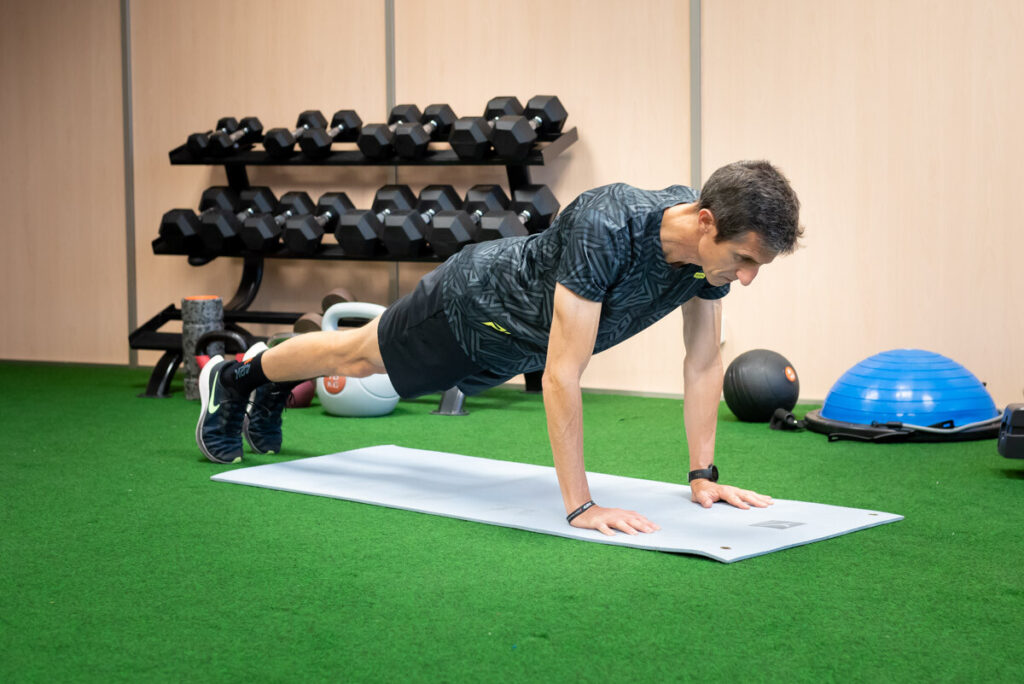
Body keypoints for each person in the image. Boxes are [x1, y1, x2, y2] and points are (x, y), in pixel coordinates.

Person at [195, 160, 802, 537]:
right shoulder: (608, 226)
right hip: (469, 308)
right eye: (744, 259)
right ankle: (245, 378)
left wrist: (703, 476)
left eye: (758, 266)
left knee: (367, 364)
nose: (747, 276)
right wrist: (580, 505)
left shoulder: (705, 267)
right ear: (703, 221)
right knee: (356, 357)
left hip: (512, 349)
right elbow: (564, 375)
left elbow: (702, 360)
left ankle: (262, 379)